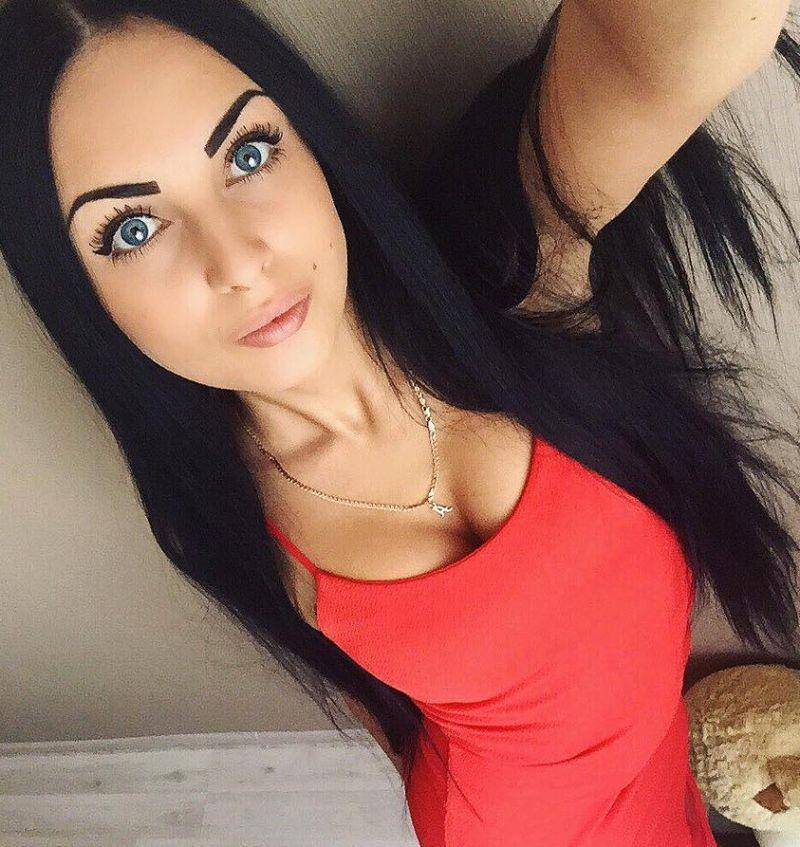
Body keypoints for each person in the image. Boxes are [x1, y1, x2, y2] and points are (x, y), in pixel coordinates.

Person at [1, 1, 799, 844]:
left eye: (248, 153)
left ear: (311, 142)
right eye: (132, 228)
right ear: (82, 297)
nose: (238, 261)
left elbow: (686, 38)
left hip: (655, 763)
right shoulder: (225, 514)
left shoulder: (509, 278)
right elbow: (385, 708)